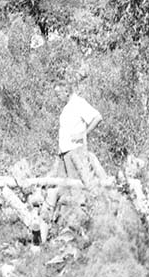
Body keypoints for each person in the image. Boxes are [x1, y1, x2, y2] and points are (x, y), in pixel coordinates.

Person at [42, 70, 103, 229]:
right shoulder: (67, 107)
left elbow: (97, 117)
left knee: (77, 189)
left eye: (58, 93)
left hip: (75, 152)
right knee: (64, 189)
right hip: (64, 153)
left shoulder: (78, 103)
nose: (57, 97)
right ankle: (66, 225)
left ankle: (81, 225)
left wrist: (84, 134)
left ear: (66, 91)